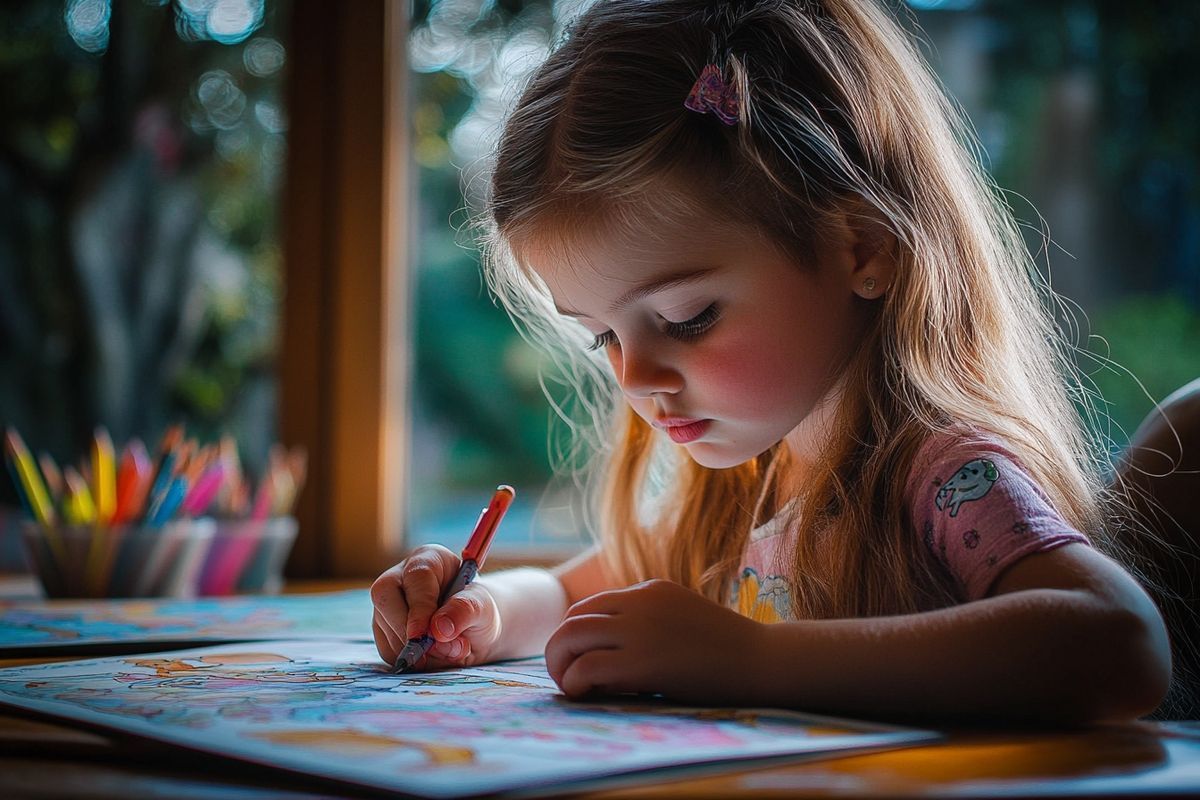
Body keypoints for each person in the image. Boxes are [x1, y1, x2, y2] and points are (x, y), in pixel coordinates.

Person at [371, 0, 1171, 723]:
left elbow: (1121, 643)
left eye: (687, 317)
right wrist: (480, 615)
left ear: (864, 248)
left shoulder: (941, 473)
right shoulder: (741, 488)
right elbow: (578, 592)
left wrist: (746, 660)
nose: (633, 379)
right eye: (603, 336)